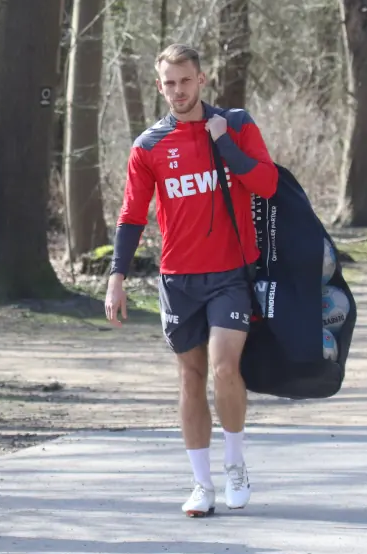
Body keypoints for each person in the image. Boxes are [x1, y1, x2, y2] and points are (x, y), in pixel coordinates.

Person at [104, 44, 278, 518]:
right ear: (159, 86)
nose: (178, 91)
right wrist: (117, 276)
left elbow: (267, 183)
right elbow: (132, 215)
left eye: (186, 81)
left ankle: (235, 465)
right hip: (179, 279)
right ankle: (201, 484)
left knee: (225, 368)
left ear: (202, 80)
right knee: (191, 375)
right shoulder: (148, 146)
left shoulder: (236, 125)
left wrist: (225, 146)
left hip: (230, 275)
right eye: (169, 83)